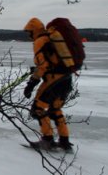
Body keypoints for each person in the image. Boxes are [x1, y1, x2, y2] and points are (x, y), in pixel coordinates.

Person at [22, 17, 73, 151]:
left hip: (54, 80)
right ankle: (64, 141)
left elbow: (43, 65)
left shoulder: (40, 41)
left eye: (29, 32)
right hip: (66, 79)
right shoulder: (49, 38)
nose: (29, 36)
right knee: (55, 109)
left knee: (37, 109)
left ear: (34, 31)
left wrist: (32, 83)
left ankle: (47, 140)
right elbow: (50, 61)